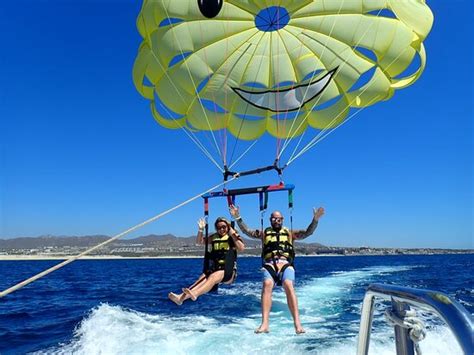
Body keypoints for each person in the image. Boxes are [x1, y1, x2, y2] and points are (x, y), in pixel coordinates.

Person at [229, 205, 324, 334]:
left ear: (282, 219)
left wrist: (315, 219)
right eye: (274, 219)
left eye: (278, 219)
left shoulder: (290, 233)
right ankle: (265, 324)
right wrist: (237, 217)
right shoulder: (264, 233)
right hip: (269, 265)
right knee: (267, 284)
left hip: (285, 265)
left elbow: (308, 232)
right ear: (270, 220)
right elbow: (247, 231)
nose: (276, 221)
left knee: (288, 284)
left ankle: (297, 324)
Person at [168, 217, 245, 305]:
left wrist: (233, 234)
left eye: (224, 227)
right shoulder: (214, 237)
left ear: (228, 227)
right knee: (200, 280)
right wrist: (201, 229)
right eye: (219, 228)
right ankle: (180, 298)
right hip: (215, 269)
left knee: (212, 277)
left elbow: (241, 248)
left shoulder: (232, 237)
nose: (221, 229)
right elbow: (199, 242)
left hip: (229, 272)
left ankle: (195, 294)